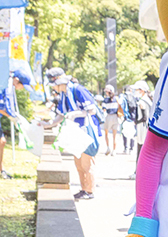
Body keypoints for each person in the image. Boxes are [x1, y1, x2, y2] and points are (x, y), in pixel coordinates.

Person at [48, 70, 102, 200]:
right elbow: (61, 115)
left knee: (87, 163)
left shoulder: (78, 90)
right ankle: (84, 189)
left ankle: (90, 191)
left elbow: (92, 110)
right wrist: (46, 124)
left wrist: (75, 114)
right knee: (78, 163)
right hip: (75, 131)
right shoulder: (64, 94)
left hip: (86, 131)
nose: (53, 87)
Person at [101, 84, 121, 155]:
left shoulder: (105, 100)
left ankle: (108, 147)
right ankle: (114, 150)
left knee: (106, 134)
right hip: (115, 117)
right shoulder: (117, 99)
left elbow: (104, 110)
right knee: (114, 135)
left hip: (108, 117)